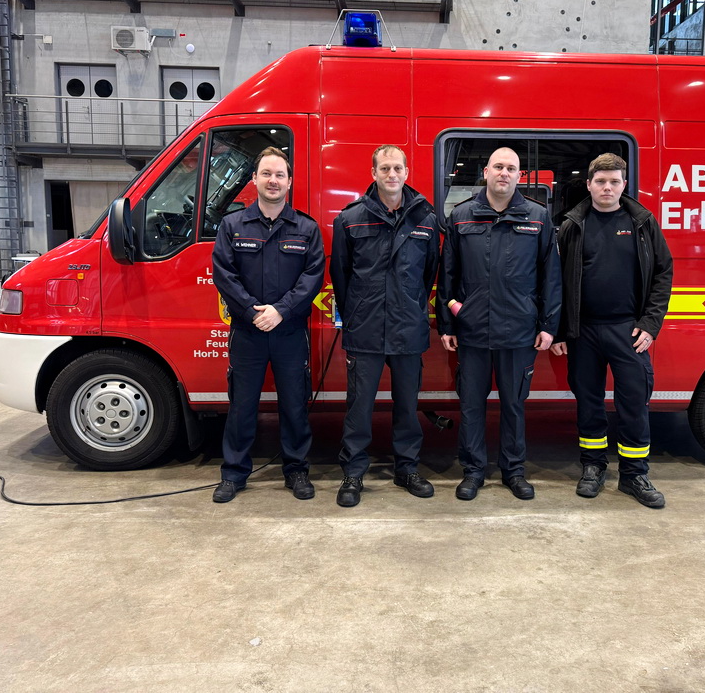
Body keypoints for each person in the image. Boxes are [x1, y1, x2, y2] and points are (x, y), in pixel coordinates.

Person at [438, 147, 562, 500]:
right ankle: (473, 471)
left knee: (513, 405)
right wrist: (448, 322)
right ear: (486, 172)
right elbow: (448, 274)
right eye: (498, 167)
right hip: (473, 331)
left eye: (511, 168)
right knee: (471, 405)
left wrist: (549, 325)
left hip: (519, 331)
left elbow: (550, 277)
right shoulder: (461, 216)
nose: (504, 173)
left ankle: (514, 471)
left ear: (520, 176)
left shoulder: (538, 218)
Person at [550, 152, 673, 508]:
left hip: (628, 331)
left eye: (614, 181)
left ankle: (635, 476)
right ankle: (592, 468)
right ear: (589, 185)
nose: (607, 187)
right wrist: (559, 330)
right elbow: (556, 280)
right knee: (588, 403)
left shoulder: (642, 222)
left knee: (633, 403)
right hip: (582, 331)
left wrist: (650, 324)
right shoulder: (573, 224)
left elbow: (663, 272)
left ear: (623, 184)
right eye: (600, 181)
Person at [211, 147, 325, 503]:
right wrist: (251, 310)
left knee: (294, 405)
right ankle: (233, 474)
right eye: (266, 174)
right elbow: (223, 274)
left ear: (289, 182)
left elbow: (313, 277)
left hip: (289, 332)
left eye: (279, 175)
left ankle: (296, 471)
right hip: (248, 333)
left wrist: (280, 311)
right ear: (254, 180)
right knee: (242, 406)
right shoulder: (232, 225)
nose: (273, 180)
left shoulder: (306, 228)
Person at [330, 145, 441, 507]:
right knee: (358, 407)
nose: (391, 174)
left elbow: (429, 274)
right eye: (385, 168)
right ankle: (353, 473)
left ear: (407, 172)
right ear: (374, 172)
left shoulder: (426, 219)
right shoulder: (350, 219)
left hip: (408, 327)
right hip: (365, 328)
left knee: (407, 406)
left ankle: (407, 468)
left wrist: (410, 306)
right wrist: (357, 312)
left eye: (397, 168)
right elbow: (341, 275)